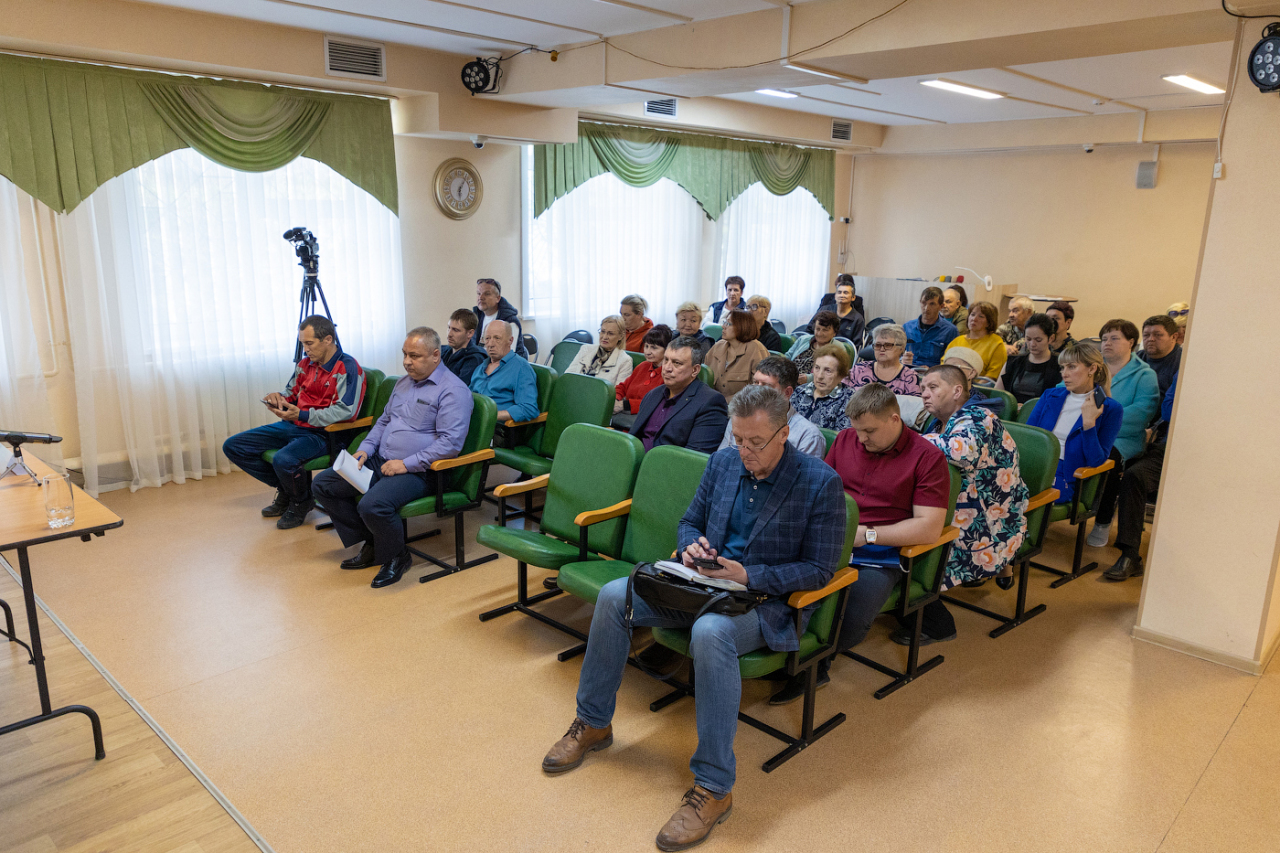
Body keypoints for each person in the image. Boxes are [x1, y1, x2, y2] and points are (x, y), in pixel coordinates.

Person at [543, 385, 845, 851]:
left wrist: (749, 573)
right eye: (737, 438)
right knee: (612, 595)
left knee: (710, 633)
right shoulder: (724, 462)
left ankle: (714, 788)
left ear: (784, 434)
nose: (743, 451)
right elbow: (689, 523)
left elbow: (820, 569)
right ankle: (593, 722)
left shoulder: (819, 481)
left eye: (755, 442)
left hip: (762, 601)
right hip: (701, 584)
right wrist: (691, 547)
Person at [770, 384, 950, 705]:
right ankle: (791, 652)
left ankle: (813, 663)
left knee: (851, 617)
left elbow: (929, 527)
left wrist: (866, 534)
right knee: (783, 585)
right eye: (857, 430)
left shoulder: (928, 457)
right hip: (831, 537)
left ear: (895, 420)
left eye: (869, 431)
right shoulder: (845, 439)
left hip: (879, 552)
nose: (862, 439)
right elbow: (819, 489)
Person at [311, 328, 471, 589]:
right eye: (405, 354)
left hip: (421, 471)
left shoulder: (453, 390)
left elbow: (450, 444)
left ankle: (397, 556)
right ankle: (375, 542)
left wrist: (405, 464)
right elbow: (384, 421)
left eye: (415, 356)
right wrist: (365, 449)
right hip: (381, 459)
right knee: (324, 484)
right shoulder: (403, 382)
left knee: (373, 505)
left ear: (435, 355)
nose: (407, 361)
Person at [912, 365, 1028, 637]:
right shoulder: (941, 419)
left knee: (916, 532)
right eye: (922, 389)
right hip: (965, 501)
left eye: (932, 387)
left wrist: (903, 438)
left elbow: (960, 452)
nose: (924, 394)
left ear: (956, 390)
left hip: (991, 516)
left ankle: (930, 616)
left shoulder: (978, 417)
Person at [223, 315, 365, 530]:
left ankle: (299, 501)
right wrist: (278, 399)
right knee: (235, 446)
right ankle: (291, 491)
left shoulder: (347, 367)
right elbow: (291, 394)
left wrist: (303, 416)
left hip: (325, 433)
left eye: (309, 343)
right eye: (302, 344)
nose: (305, 349)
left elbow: (346, 411)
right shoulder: (305, 364)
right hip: (295, 425)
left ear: (328, 339)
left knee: (284, 459)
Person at [1086, 320, 1160, 548]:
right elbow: (1065, 389)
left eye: (1114, 338)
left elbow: (1142, 413)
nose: (1107, 343)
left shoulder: (1144, 375)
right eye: (1104, 338)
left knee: (1109, 459)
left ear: (1131, 342)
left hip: (1124, 438)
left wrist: (1100, 421)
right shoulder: (1091, 367)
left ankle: (1103, 520)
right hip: (1089, 428)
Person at [1024, 342, 1123, 505]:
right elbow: (1029, 437)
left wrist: (1089, 424)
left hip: (1065, 475)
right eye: (1062, 368)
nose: (1064, 374)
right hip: (1036, 465)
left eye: (1071, 367)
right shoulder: (1050, 395)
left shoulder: (1111, 409)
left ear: (1092, 369)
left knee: (1016, 499)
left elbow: (1096, 461)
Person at [1102, 374, 1177, 581]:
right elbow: (1169, 410)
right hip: (1171, 445)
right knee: (1134, 476)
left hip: (1213, 455)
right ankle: (1130, 555)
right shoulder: (1186, 371)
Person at [630, 336, 728, 453]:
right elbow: (634, 438)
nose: (667, 368)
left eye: (677, 363)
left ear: (695, 370)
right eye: (666, 360)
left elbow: (693, 459)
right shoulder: (653, 394)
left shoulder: (710, 402)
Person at [718, 356, 826, 458]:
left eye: (766, 386)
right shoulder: (739, 417)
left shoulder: (808, 436)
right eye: (755, 383)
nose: (756, 391)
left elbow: (804, 477)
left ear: (787, 392)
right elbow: (721, 462)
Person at [470, 321, 539, 425]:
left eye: (497, 338)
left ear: (510, 340)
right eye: (487, 338)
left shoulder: (521, 368)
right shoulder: (481, 367)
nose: (491, 344)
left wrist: (491, 415)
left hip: (495, 429)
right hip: (471, 423)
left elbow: (528, 408)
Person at [613, 325, 673, 431]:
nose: (648, 351)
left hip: (647, 426)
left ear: (667, 350)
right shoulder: (642, 366)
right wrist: (616, 399)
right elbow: (622, 387)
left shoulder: (669, 373)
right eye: (646, 346)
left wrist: (624, 405)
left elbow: (658, 403)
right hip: (625, 420)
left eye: (654, 348)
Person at [997, 313, 1063, 404]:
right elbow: (998, 394)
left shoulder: (1060, 364)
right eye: (1028, 339)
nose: (1032, 344)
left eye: (1038, 340)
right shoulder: (1013, 362)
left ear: (1051, 338)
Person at [705, 308, 769, 401]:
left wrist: (724, 402)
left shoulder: (756, 349)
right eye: (724, 322)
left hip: (744, 407)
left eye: (728, 323)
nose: (723, 326)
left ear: (742, 326)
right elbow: (704, 379)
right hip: (714, 404)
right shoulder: (718, 346)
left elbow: (761, 388)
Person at [791, 344, 855, 432]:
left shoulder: (848, 399)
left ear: (841, 375)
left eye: (828, 370)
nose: (820, 376)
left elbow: (842, 439)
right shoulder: (800, 391)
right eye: (817, 368)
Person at [845, 324, 921, 396]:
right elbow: (841, 397)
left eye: (888, 345)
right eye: (878, 345)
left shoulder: (910, 377)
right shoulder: (858, 369)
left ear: (901, 348)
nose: (881, 349)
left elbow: (913, 408)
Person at [944, 300, 1007, 380]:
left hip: (979, 388)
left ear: (989, 322)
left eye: (981, 316)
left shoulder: (996, 343)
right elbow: (944, 365)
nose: (974, 319)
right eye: (972, 314)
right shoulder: (957, 341)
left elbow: (992, 376)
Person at [565, 315, 634, 386]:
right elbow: (568, 376)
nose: (604, 337)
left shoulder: (625, 361)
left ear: (620, 336)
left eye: (610, 333)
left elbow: (620, 393)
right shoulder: (585, 349)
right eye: (602, 331)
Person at [903, 286, 959, 368]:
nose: (926, 308)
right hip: (908, 371)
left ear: (941, 306)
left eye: (932, 304)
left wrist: (932, 370)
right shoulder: (907, 327)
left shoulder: (950, 331)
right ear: (920, 302)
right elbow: (895, 353)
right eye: (924, 303)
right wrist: (902, 359)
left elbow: (952, 363)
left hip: (935, 375)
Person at [473, 278, 528, 359]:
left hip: (508, 366)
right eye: (478, 293)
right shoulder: (476, 317)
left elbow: (508, 355)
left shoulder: (510, 321)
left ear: (498, 298)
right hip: (483, 362)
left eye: (487, 294)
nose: (481, 297)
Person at [802, 277, 864, 344]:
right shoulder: (824, 310)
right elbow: (809, 330)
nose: (842, 295)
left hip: (841, 351)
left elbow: (856, 345)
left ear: (853, 297)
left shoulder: (858, 319)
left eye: (845, 293)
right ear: (835, 296)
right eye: (839, 292)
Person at [785, 310, 839, 382]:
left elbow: (834, 372)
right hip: (789, 377)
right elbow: (788, 356)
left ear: (834, 332)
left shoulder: (837, 348)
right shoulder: (803, 339)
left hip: (814, 384)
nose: (820, 333)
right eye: (817, 329)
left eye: (825, 330)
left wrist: (809, 378)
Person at [1137, 314, 1182, 396]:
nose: (1151, 339)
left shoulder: (1183, 362)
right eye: (1146, 335)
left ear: (1174, 337)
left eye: (1158, 335)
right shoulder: (1135, 360)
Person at [441, 309, 486, 387]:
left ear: (470, 333)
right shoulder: (443, 351)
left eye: (456, 330)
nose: (449, 334)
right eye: (449, 328)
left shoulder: (475, 358)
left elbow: (458, 389)